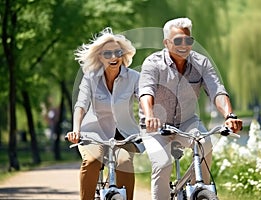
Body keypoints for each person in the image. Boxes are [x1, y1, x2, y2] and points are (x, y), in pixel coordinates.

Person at [139, 17, 243, 199]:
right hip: (155, 125)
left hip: (187, 121)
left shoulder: (201, 63)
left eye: (188, 40)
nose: (184, 45)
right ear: (166, 43)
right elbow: (146, 91)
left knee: (205, 144)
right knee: (162, 164)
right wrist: (149, 116)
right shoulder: (153, 63)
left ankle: (197, 192)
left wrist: (229, 115)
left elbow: (216, 90)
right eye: (178, 41)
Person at [67, 27, 144, 200]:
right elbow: (81, 105)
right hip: (93, 133)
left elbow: (144, 101)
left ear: (123, 55)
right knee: (92, 161)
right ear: (99, 57)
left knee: (124, 163)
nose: (113, 57)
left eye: (117, 52)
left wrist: (149, 120)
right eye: (107, 54)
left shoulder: (134, 77)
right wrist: (76, 129)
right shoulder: (90, 77)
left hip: (124, 135)